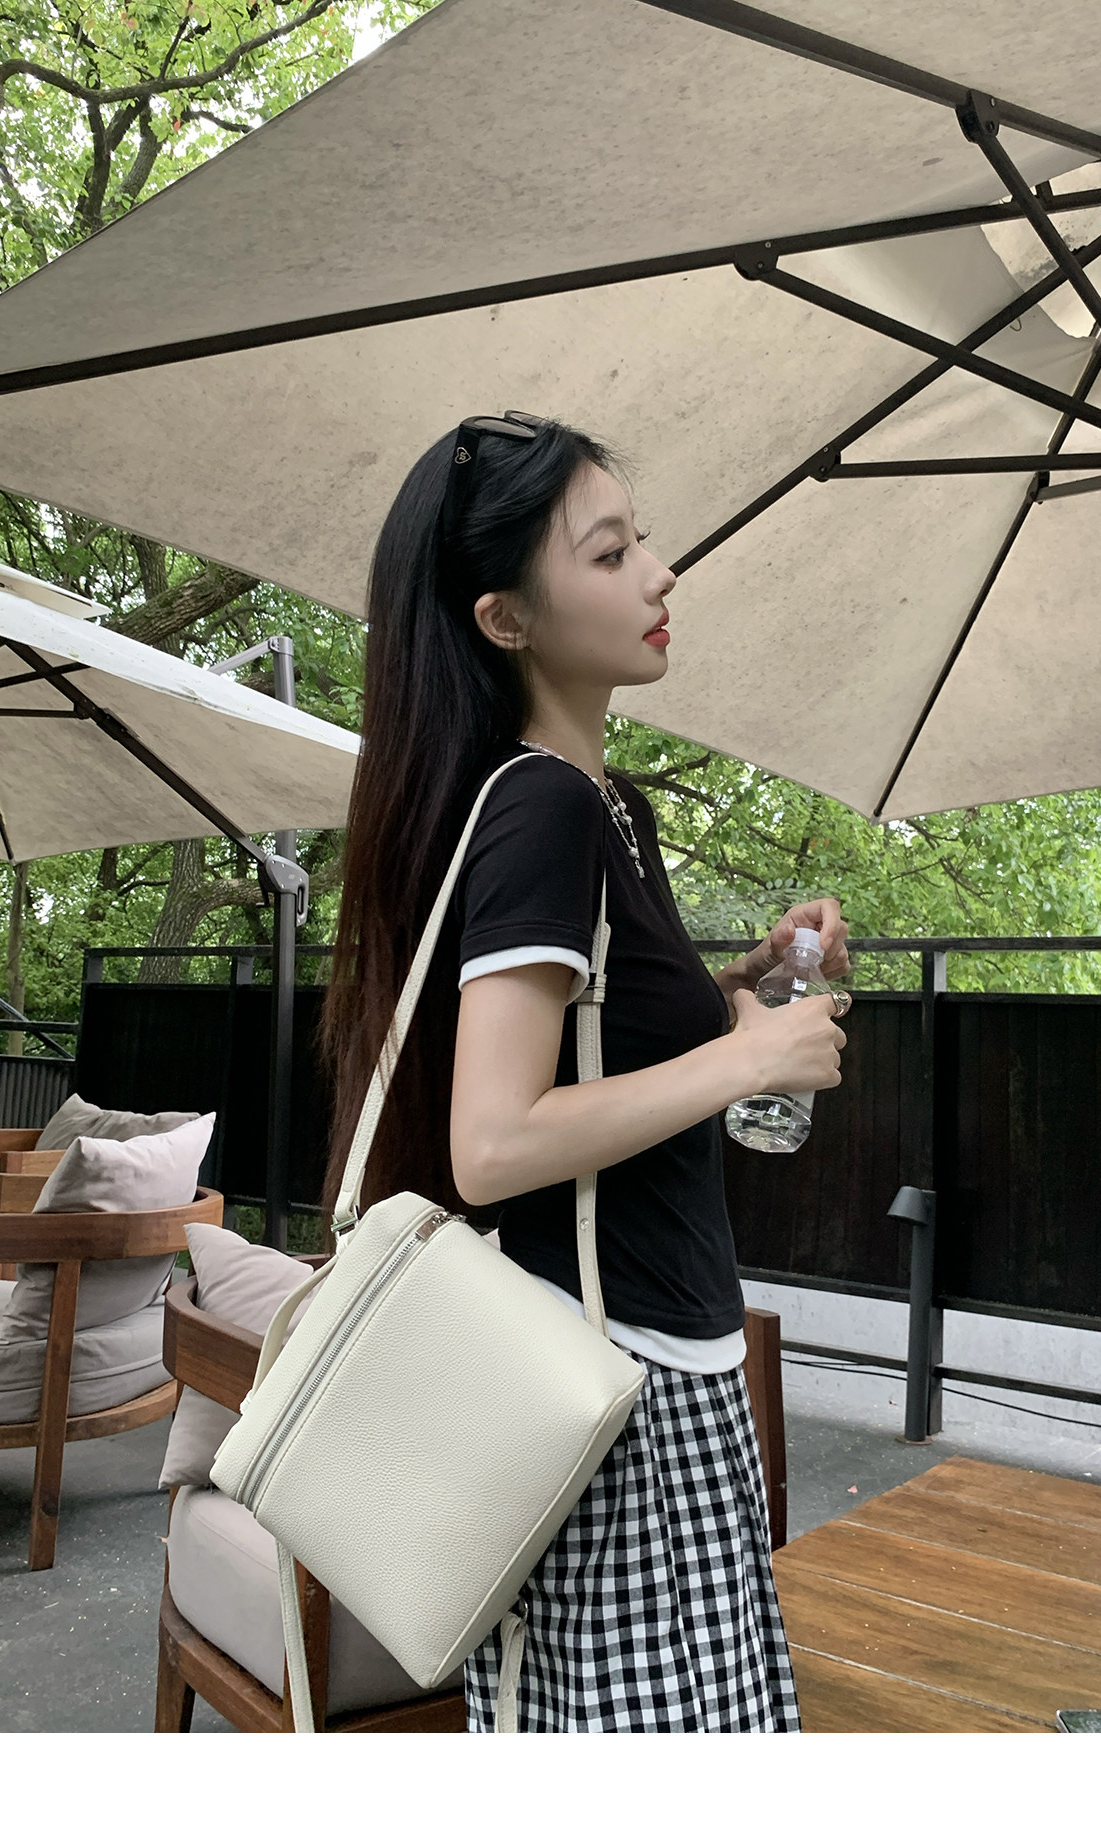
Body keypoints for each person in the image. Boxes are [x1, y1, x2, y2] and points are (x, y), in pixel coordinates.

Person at [323, 412, 849, 1733]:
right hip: (614, 1387)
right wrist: (745, 1059)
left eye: (642, 540)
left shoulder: (610, 806)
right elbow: (493, 1142)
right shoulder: (540, 807)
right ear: (506, 620)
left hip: (671, 1353)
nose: (661, 572)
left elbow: (611, 1038)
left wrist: (750, 982)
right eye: (610, 553)